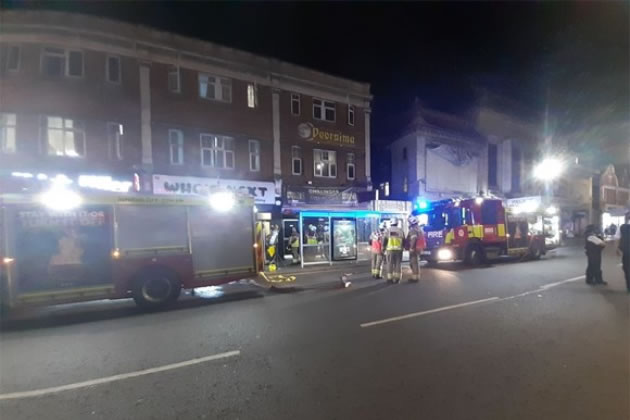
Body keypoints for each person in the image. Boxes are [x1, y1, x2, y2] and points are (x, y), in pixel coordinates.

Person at [383, 218, 404, 284]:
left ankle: (390, 279)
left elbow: (384, 240)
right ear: (397, 223)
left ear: (391, 223)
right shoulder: (400, 231)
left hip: (390, 250)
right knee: (398, 264)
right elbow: (404, 240)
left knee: (389, 264)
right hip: (399, 250)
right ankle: (397, 279)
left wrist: (383, 247)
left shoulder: (388, 230)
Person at [406, 215, 426, 282]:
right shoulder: (420, 229)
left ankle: (414, 277)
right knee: (416, 262)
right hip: (419, 247)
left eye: (409, 222)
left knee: (413, 263)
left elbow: (413, 239)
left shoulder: (413, 230)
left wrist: (411, 248)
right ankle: (417, 276)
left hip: (414, 248)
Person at [617, 223, 630, 292]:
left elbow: (621, 246)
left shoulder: (624, 236)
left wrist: (618, 249)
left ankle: (629, 287)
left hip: (627, 255)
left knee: (627, 270)